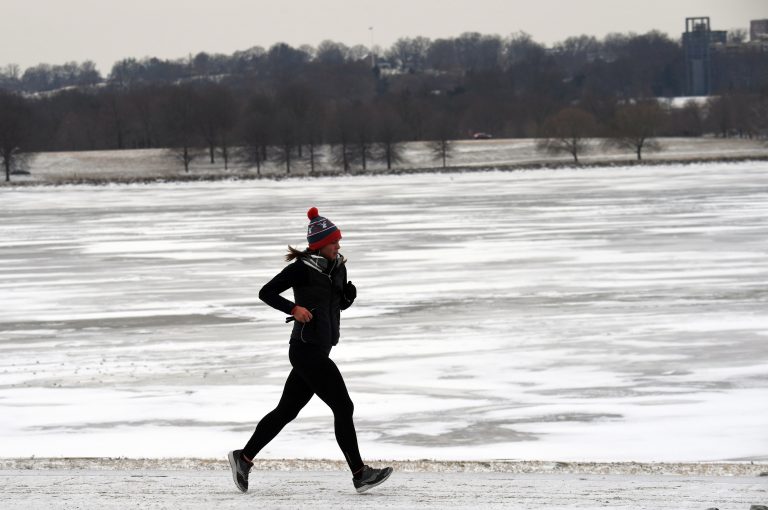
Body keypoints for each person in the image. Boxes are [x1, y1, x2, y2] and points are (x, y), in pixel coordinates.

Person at [228, 207, 393, 494]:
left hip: (322, 348)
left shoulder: (338, 268)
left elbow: (335, 305)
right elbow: (265, 292)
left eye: (338, 242)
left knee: (285, 411)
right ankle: (359, 473)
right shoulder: (301, 269)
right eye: (334, 242)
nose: (338, 246)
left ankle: (243, 458)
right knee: (344, 406)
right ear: (320, 245)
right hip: (305, 349)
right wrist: (294, 308)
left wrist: (347, 299)